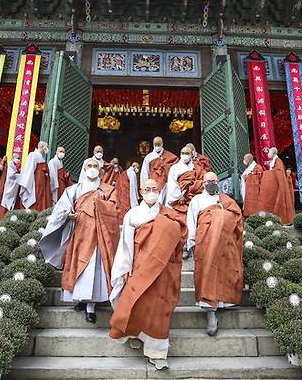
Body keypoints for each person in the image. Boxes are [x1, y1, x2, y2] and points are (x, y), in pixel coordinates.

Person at [109, 179, 185, 371]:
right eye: (147, 189)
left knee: (159, 311)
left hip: (162, 271)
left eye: (155, 189)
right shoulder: (133, 214)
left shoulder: (169, 215)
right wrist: (126, 268)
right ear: (141, 192)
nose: (151, 192)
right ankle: (135, 334)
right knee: (136, 305)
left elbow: (177, 243)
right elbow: (126, 244)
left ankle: (158, 353)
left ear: (160, 191)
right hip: (140, 267)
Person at [39, 158, 119, 323]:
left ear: (100, 170)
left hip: (98, 236)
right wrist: (69, 214)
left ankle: (91, 306)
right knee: (78, 267)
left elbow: (114, 209)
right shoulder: (74, 189)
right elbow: (61, 208)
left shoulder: (107, 190)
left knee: (92, 269)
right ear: (84, 169)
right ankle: (80, 299)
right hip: (79, 234)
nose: (92, 169)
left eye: (95, 166)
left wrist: (100, 205)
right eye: (89, 166)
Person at [187, 172, 244, 336]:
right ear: (203, 183)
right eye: (207, 181)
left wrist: (222, 218)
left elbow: (237, 220)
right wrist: (191, 242)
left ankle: (223, 303)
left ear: (218, 182)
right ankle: (210, 314)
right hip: (204, 244)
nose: (211, 183)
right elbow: (191, 221)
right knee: (206, 275)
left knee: (223, 273)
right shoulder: (196, 200)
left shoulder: (226, 200)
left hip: (225, 246)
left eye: (213, 181)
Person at [165, 145, 206, 259]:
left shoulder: (197, 168)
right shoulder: (175, 168)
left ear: (192, 154)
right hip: (180, 202)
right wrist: (179, 196)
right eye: (182, 153)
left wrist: (192, 191)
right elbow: (172, 184)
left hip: (194, 199)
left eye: (187, 153)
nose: (185, 155)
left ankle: (193, 248)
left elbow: (201, 182)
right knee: (180, 224)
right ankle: (182, 248)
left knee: (194, 224)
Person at [258, 147, 295, 224]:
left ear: (273, 153)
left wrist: (268, 173)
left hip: (279, 184)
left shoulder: (278, 161)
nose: (268, 154)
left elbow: (279, 171)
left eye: (269, 152)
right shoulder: (274, 161)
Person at [141, 136, 178, 203]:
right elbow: (144, 172)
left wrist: (165, 166)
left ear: (162, 144)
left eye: (159, 144)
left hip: (166, 185)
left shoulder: (170, 156)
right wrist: (144, 186)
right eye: (155, 145)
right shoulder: (149, 157)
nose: (157, 146)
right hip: (153, 185)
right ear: (153, 145)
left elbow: (175, 170)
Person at [18, 142, 53, 211]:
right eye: (46, 147)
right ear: (42, 147)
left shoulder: (41, 157)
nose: (47, 149)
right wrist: (28, 182)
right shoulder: (33, 155)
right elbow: (30, 169)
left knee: (40, 198)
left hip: (42, 183)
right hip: (36, 182)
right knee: (35, 197)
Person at [0, 152, 22, 220]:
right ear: (13, 158)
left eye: (19, 159)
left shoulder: (15, 166)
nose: (18, 160)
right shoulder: (10, 165)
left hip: (13, 186)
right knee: (6, 200)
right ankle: (1, 217)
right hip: (9, 185)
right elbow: (11, 175)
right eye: (17, 158)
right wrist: (20, 176)